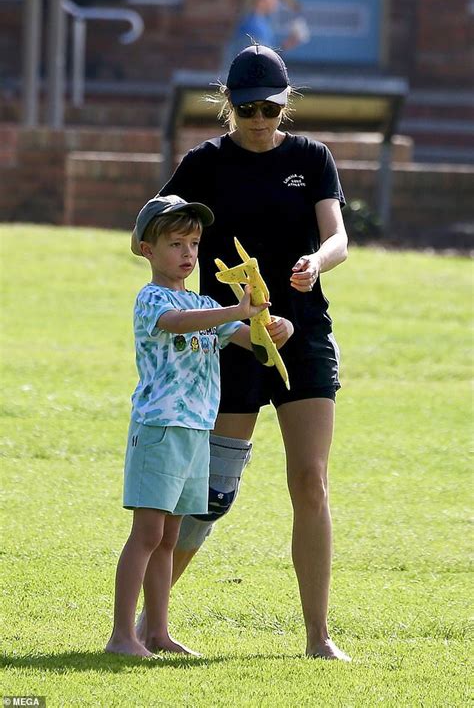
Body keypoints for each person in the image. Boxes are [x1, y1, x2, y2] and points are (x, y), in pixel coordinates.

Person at [137, 44, 351, 661]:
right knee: (212, 494)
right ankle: (148, 627)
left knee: (310, 482)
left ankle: (318, 637)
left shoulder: (311, 158)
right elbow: (152, 229)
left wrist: (317, 261)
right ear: (228, 104)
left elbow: (337, 235)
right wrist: (177, 286)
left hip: (303, 335)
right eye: (248, 108)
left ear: (286, 106)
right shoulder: (203, 163)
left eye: (271, 108)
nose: (260, 120)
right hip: (230, 341)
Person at [106, 193, 293, 657]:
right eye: (175, 244)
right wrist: (235, 312)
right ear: (148, 250)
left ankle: (157, 633)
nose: (188, 254)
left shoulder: (206, 301)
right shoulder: (153, 299)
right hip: (161, 428)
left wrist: (275, 330)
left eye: (193, 243)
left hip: (195, 431)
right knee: (147, 535)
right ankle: (121, 636)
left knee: (169, 537)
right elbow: (177, 323)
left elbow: (251, 342)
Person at [223, 0, 310, 68]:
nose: (276, 1)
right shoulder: (253, 25)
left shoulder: (261, 22)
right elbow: (260, 61)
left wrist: (288, 44)